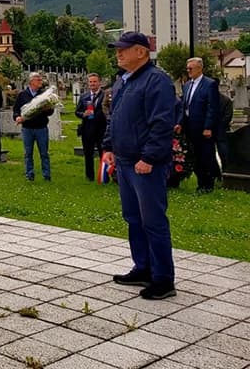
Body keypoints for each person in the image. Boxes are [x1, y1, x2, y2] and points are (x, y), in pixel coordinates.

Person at [102, 31, 177, 300]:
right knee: (133, 218)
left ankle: (163, 278)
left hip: (145, 164)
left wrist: (150, 158)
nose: (118, 53)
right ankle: (143, 267)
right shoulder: (122, 82)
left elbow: (162, 124)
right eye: (117, 49)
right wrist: (108, 147)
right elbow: (115, 118)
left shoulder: (157, 81)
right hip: (123, 162)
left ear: (142, 52)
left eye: (124, 49)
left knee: (153, 221)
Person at [174, 57, 220, 193]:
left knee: (205, 156)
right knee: (194, 156)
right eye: (187, 68)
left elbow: (212, 108)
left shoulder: (209, 84)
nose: (188, 71)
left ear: (200, 68)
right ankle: (200, 183)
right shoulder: (187, 85)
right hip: (189, 126)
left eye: (191, 68)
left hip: (202, 127)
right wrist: (180, 123)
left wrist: (208, 127)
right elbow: (184, 106)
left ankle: (207, 185)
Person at [12, 72, 53, 181]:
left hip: (41, 128)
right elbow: (16, 110)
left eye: (41, 79)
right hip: (27, 129)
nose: (40, 82)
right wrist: (17, 117)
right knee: (28, 153)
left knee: (44, 153)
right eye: (38, 80)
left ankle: (47, 175)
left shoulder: (44, 95)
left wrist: (46, 109)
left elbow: (51, 111)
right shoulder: (22, 95)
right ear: (31, 82)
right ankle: (29, 174)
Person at [74, 73, 107, 181]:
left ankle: (105, 176)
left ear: (99, 83)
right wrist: (83, 114)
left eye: (94, 81)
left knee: (104, 152)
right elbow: (77, 112)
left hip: (102, 129)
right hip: (87, 129)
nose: (92, 84)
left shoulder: (105, 95)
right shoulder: (84, 96)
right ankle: (89, 176)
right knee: (88, 153)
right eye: (90, 82)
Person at [216, 84, 233, 173]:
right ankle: (219, 173)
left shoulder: (226, 100)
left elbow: (227, 116)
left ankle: (226, 171)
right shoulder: (207, 99)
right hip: (216, 130)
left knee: (223, 152)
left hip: (221, 131)